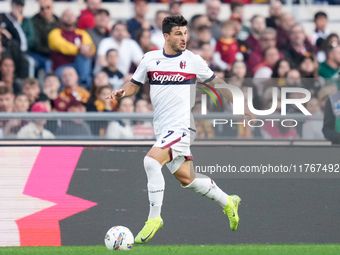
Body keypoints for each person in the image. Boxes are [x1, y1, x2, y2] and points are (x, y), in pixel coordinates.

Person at [106, 15, 255, 244]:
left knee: (151, 161)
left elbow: (217, 83)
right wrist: (121, 93)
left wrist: (239, 103)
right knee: (188, 179)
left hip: (182, 126)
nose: (184, 38)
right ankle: (228, 201)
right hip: (163, 129)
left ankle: (154, 219)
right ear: (166, 36)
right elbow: (133, 85)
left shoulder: (193, 61)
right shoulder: (150, 59)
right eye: (178, 33)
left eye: (185, 33)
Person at [48, 9, 96, 86]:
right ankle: (83, 83)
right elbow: (62, 46)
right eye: (66, 15)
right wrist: (79, 49)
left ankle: (83, 82)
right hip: (62, 66)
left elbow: (91, 48)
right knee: (69, 73)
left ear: (76, 19)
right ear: (61, 19)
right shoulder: (55, 33)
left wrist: (86, 50)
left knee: (85, 56)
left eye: (71, 15)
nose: (69, 18)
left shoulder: (82, 33)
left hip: (79, 66)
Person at [30, 0, 59, 74]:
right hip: (39, 53)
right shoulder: (34, 21)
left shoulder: (58, 21)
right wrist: (52, 51)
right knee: (48, 64)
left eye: (48, 7)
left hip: (55, 53)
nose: (45, 11)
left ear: (52, 7)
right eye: (42, 9)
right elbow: (36, 44)